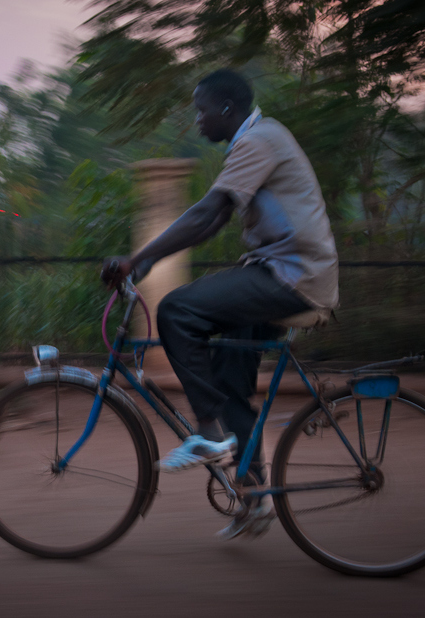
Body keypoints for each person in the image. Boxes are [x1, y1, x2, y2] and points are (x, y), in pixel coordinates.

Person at [101, 69, 339, 538]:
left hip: (293, 279)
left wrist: (138, 258)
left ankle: (208, 435)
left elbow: (209, 213)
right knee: (231, 384)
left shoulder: (259, 141)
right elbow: (213, 219)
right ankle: (253, 497)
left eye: (201, 109)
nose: (197, 120)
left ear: (227, 109)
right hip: (278, 273)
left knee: (176, 310)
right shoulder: (256, 140)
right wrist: (146, 261)